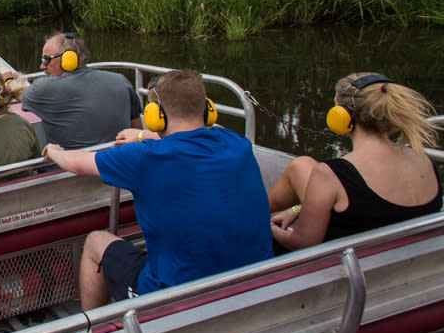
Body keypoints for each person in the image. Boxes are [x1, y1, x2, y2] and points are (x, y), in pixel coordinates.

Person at [42, 69, 273, 310]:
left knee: (95, 242)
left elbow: (77, 163)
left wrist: (55, 151)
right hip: (254, 286)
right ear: (207, 109)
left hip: (173, 298)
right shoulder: (237, 143)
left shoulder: (144, 158)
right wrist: (143, 135)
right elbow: (187, 138)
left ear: (155, 116)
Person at [269, 73, 443, 252]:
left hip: (352, 272)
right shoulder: (423, 160)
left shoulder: (332, 173)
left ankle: (251, 214)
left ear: (341, 116)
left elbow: (302, 243)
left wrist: (268, 228)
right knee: (303, 164)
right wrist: (297, 210)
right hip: (409, 262)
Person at [16, 32, 142, 149]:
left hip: (66, 171)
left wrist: (8, 80)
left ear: (68, 58)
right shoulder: (121, 81)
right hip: (118, 166)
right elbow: (137, 131)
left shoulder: (44, 88)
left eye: (46, 59)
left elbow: (17, 92)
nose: (42, 66)